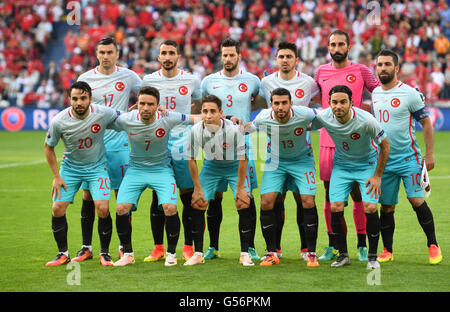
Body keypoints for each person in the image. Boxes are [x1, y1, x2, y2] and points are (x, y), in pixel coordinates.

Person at [111, 86, 201, 267]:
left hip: (161, 169)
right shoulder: (126, 119)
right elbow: (99, 121)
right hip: (135, 169)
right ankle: (127, 254)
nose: (145, 108)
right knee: (121, 208)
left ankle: (171, 254)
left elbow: (197, 118)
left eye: (150, 104)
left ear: (158, 105)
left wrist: (229, 119)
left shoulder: (167, 117)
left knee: (170, 207)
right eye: (142, 103)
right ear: (136, 104)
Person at [313, 30, 380, 262]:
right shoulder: (320, 71)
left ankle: (362, 244)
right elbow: (309, 97)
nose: (337, 47)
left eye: (341, 43)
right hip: (327, 144)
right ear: (328, 46)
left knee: (360, 195)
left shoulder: (361, 70)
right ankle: (334, 245)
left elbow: (380, 91)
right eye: (333, 43)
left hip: (357, 143)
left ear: (349, 46)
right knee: (331, 196)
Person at [74, 37, 142, 262]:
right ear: (96, 54)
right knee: (88, 195)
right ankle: (86, 247)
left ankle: (125, 247)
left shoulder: (129, 76)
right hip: (92, 145)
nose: (105, 56)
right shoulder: (85, 78)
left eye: (109, 52)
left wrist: (135, 109)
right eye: (101, 52)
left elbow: (148, 94)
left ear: (117, 54)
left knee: (122, 196)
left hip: (119, 145)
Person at [372, 49, 442, 265]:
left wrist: (429, 154)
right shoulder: (374, 93)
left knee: (416, 200)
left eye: (387, 64)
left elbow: (427, 124)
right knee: (387, 207)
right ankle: (388, 250)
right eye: (379, 64)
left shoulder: (410, 94)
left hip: (408, 158)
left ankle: (433, 245)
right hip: (384, 161)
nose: (383, 68)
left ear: (396, 68)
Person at [312, 85, 390, 269]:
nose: (338, 106)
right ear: (329, 103)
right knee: (335, 206)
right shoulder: (324, 116)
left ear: (351, 103)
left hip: (367, 165)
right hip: (342, 166)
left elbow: (385, 145)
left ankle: (372, 258)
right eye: (334, 102)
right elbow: (304, 123)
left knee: (370, 207)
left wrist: (378, 176)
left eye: (343, 102)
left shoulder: (366, 120)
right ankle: (343, 256)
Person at [44, 81, 120, 267]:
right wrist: (56, 176)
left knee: (102, 208)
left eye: (83, 98)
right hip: (70, 168)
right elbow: (48, 147)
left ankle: (105, 253)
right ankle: (62, 253)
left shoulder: (102, 112)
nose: (79, 102)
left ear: (90, 99)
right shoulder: (59, 120)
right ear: (69, 99)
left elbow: (123, 117)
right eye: (75, 98)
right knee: (57, 208)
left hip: (97, 167)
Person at [200, 38, 260, 261]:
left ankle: (250, 247)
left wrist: (245, 124)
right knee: (214, 198)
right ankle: (213, 247)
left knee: (246, 197)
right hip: (214, 149)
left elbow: (261, 102)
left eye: (231, 55)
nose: (227, 59)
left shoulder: (252, 81)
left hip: (244, 148)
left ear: (239, 56)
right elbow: (204, 110)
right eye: (224, 55)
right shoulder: (208, 81)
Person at [245, 88, 319, 267]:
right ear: (271, 105)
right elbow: (250, 128)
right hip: (275, 162)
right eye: (276, 103)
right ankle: (271, 253)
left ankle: (311, 253)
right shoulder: (263, 116)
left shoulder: (304, 113)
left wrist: (309, 127)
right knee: (266, 202)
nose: (280, 107)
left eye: (284, 103)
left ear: (291, 103)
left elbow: (323, 119)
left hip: (302, 160)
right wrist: (232, 126)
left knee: (307, 200)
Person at [259, 41, 320, 260]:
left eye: (289, 57)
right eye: (281, 57)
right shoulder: (266, 82)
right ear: (276, 59)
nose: (285, 60)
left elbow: (321, 105)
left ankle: (306, 249)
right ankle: (274, 249)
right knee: (275, 200)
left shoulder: (309, 82)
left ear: (296, 60)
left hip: (301, 150)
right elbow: (257, 103)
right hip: (275, 152)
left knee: (302, 200)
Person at [142, 40, 202, 262]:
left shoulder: (191, 80)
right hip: (158, 143)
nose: (167, 57)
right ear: (158, 57)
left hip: (184, 143)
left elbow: (198, 104)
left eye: (171, 53)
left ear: (179, 57)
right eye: (163, 53)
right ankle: (158, 247)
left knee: (187, 197)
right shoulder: (148, 80)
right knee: (158, 195)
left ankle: (187, 246)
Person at [186, 94, 254, 266]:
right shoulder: (196, 130)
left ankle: (245, 253)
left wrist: (239, 188)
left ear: (221, 113)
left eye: (212, 111)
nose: (208, 115)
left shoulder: (233, 130)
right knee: (198, 202)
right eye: (205, 111)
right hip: (211, 167)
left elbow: (243, 159)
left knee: (243, 202)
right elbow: (191, 159)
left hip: (233, 167)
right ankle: (198, 253)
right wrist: (197, 188)